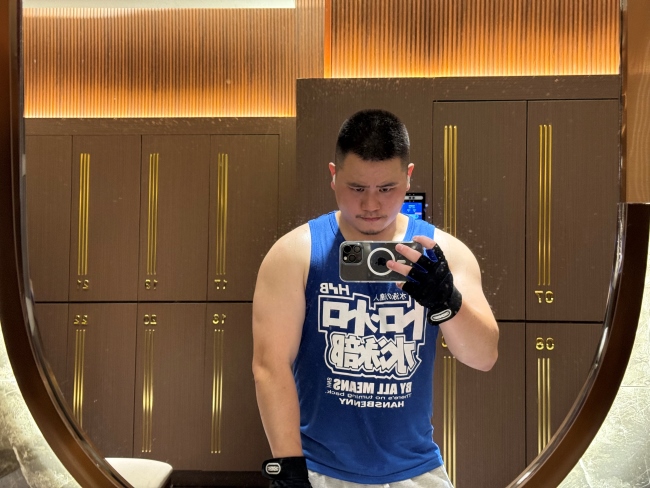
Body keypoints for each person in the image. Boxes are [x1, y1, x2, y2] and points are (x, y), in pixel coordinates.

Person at [252, 109, 499, 488]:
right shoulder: (294, 253)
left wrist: (446, 301)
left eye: (386, 189)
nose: (371, 205)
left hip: (415, 469)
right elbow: (270, 366)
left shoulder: (443, 252)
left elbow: (482, 357)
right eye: (356, 188)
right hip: (318, 469)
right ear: (333, 176)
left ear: (408, 177)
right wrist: (289, 468)